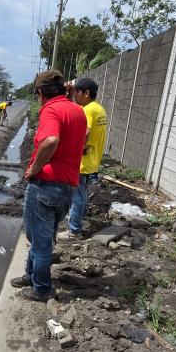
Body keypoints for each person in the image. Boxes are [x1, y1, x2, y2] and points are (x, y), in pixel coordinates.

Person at [10, 70, 87, 301]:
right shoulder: (78, 110)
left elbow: (51, 140)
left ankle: (42, 288)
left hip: (46, 186)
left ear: (41, 92)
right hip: (67, 188)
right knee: (43, 236)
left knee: (40, 241)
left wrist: (33, 169)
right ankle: (30, 275)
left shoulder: (51, 110)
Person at [57, 78, 108, 241]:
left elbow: (85, 133)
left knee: (77, 196)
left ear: (86, 93)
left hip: (82, 162)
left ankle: (74, 231)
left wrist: (72, 148)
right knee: (82, 195)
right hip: (92, 160)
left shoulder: (88, 110)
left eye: (77, 92)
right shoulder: (99, 109)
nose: (76, 96)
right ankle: (75, 219)